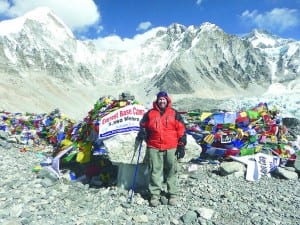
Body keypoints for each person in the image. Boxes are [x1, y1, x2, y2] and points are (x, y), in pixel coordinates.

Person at [135, 91, 187, 207]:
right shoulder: (150, 114)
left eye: (164, 99)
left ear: (167, 100)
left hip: (171, 147)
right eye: (160, 99)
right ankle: (155, 195)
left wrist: (182, 144)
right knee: (155, 171)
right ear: (157, 100)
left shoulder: (174, 114)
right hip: (154, 147)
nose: (162, 101)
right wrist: (142, 133)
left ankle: (173, 194)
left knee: (172, 171)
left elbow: (182, 130)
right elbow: (143, 126)